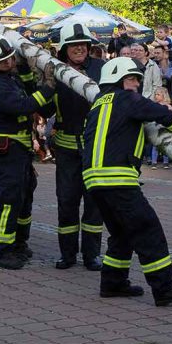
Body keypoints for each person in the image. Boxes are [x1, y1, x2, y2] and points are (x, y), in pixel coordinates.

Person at [81, 57, 172, 306]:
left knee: (122, 233)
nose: (136, 84)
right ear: (120, 80)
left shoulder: (98, 103)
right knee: (147, 229)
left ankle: (113, 283)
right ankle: (165, 287)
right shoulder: (126, 99)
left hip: (94, 182)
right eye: (133, 78)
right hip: (118, 178)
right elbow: (157, 112)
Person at [0, 32, 55, 269]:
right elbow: (23, 106)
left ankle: (17, 243)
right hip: (5, 148)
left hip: (17, 148)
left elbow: (28, 93)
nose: (9, 63)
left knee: (23, 196)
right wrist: (48, 87)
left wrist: (27, 69)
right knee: (9, 198)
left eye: (12, 58)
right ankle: (0, 250)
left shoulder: (7, 78)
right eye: (4, 61)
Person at [50, 23, 106, 271]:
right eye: (73, 45)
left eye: (83, 44)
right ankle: (68, 254)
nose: (79, 48)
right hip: (66, 150)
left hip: (95, 149)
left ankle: (92, 254)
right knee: (66, 201)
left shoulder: (101, 69)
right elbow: (44, 109)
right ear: (64, 49)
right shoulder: (56, 73)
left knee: (94, 203)